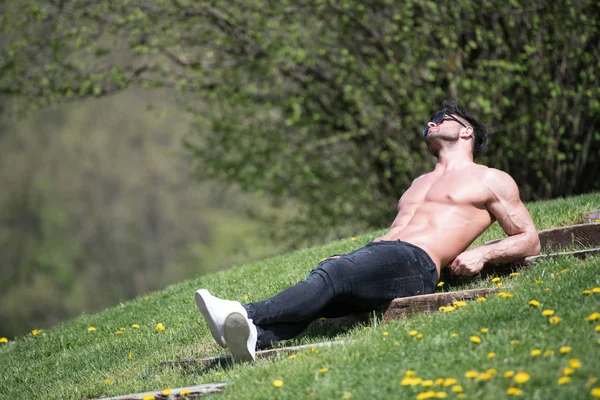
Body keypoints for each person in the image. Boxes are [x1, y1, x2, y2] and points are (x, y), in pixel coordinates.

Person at [195, 101, 541, 362]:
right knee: (325, 296)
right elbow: (394, 234)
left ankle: (243, 312)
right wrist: (353, 259)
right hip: (385, 255)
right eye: (430, 120)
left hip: (418, 263)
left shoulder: (489, 178)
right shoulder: (418, 183)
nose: (430, 122)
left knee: (333, 274)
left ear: (467, 131)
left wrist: (482, 254)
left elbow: (530, 239)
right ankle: (256, 335)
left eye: (441, 118)